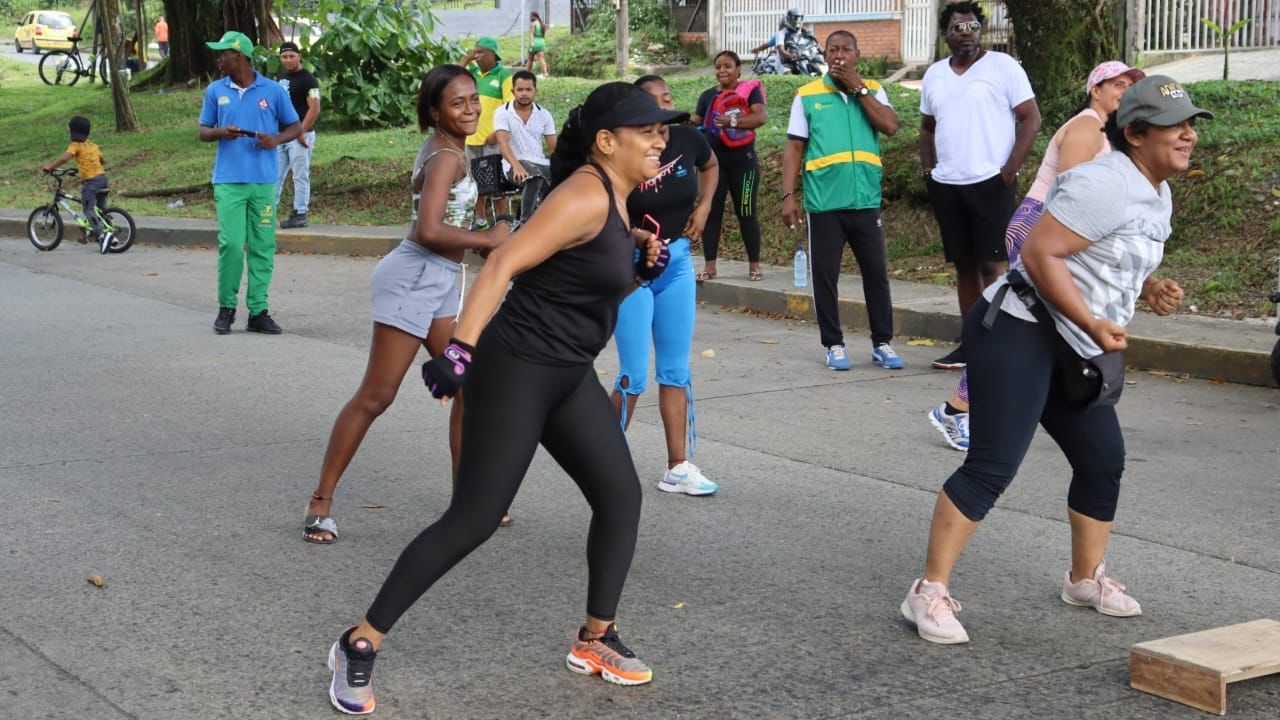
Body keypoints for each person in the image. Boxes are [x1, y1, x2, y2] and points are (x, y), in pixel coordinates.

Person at [324, 83, 680, 714]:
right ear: (606, 142)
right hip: (514, 369)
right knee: (475, 519)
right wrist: (459, 352)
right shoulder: (582, 195)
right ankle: (358, 642)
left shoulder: (619, 204)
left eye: (663, 130)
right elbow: (501, 265)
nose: (661, 139)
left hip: (568, 373)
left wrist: (638, 271)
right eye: (648, 130)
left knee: (620, 497)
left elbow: (586, 299)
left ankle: (595, 639)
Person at [900, 75, 1205, 645]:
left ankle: (1084, 579)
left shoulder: (1156, 191)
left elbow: (1103, 255)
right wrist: (1091, 322)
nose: (1188, 135)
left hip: (1072, 340)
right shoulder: (1104, 182)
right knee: (993, 464)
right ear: (1136, 133)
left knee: (1102, 459)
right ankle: (928, 591)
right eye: (1176, 126)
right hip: (1020, 327)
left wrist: (1149, 287)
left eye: (1191, 124)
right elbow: (1041, 253)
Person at [302, 66, 510, 545]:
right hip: (416, 276)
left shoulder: (455, 149)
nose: (470, 109)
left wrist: (480, 237)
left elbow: (445, 221)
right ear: (435, 111)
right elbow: (428, 231)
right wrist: (486, 239)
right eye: (457, 103)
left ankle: (468, 504)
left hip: (437, 278)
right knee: (377, 395)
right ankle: (320, 502)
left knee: (468, 387)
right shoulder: (444, 158)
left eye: (474, 99)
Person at [928, 60, 1145, 451]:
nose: (1125, 91)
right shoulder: (1087, 126)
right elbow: (1075, 194)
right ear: (1095, 89)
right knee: (1019, 331)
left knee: (1036, 333)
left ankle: (1000, 405)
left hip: (1048, 229)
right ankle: (957, 408)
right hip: (1039, 226)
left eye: (1131, 86)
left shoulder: (1105, 133)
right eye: (1118, 84)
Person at [612, 74, 720, 496]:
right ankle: (604, 461)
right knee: (634, 374)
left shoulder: (689, 140)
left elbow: (710, 166)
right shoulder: (625, 150)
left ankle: (679, 466)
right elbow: (608, 201)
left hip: (676, 263)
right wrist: (635, 240)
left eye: (667, 99)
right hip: (633, 268)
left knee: (676, 370)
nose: (662, 109)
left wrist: (705, 205)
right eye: (651, 103)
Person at [919, 1, 1041, 371]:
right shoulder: (936, 74)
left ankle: (997, 343)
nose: (966, 34)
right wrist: (929, 170)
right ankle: (970, 345)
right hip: (948, 185)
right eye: (958, 28)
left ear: (981, 30)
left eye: (972, 27)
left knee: (993, 264)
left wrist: (1008, 173)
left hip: (991, 183)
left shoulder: (1003, 67)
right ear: (946, 35)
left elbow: (1031, 118)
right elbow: (927, 127)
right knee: (964, 266)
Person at [781, 30, 903, 373]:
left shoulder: (875, 90)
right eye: (832, 49)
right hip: (824, 205)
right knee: (825, 277)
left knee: (876, 274)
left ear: (857, 56)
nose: (839, 55)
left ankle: (882, 343)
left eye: (845, 50)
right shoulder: (807, 95)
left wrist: (859, 88)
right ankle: (833, 344)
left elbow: (890, 126)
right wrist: (789, 196)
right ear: (823, 54)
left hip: (865, 200)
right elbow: (793, 148)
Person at [199, 31, 301, 335]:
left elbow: (295, 126)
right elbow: (203, 131)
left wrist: (276, 140)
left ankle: (258, 312)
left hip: (262, 184)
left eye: (223, 54)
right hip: (228, 182)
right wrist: (221, 132)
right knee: (231, 245)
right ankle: (226, 308)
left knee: (262, 246)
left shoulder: (272, 90)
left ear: (239, 56)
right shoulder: (216, 91)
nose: (219, 59)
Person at [691, 50, 766, 281]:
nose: (722, 70)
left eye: (727, 66)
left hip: (744, 164)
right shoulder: (707, 96)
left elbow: (760, 118)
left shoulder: (750, 91)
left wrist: (732, 121)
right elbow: (696, 122)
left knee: (746, 212)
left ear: (738, 69)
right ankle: (710, 266)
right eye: (718, 66)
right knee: (712, 212)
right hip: (713, 167)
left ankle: (754, 266)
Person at [41, 116, 112, 253]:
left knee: (88, 209)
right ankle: (109, 230)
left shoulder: (75, 145)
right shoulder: (93, 145)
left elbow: (64, 159)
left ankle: (102, 236)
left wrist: (50, 167)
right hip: (103, 178)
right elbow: (103, 161)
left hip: (91, 182)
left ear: (72, 132)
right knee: (100, 208)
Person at [460, 36, 514, 214]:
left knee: (497, 183)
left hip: (493, 140)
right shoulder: (472, 74)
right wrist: (466, 59)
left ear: (493, 54)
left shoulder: (503, 76)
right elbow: (452, 77)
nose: (477, 55)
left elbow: (510, 109)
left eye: (480, 52)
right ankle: (480, 219)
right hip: (471, 139)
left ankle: (503, 219)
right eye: (475, 51)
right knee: (475, 183)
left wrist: (497, 134)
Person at [275, 41, 321, 229]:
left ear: (299, 56)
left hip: (300, 136)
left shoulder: (309, 80)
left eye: (291, 56)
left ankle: (300, 212)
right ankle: (267, 212)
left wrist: (300, 131)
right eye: (284, 56)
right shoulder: (279, 77)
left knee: (300, 175)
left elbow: (315, 108)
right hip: (280, 135)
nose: (288, 60)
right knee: (274, 175)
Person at [491, 70, 557, 186]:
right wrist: (516, 166)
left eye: (528, 90)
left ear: (535, 91)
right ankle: (532, 205)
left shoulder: (544, 115)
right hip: (514, 164)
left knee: (565, 179)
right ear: (513, 91)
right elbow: (503, 143)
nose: (524, 94)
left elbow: (553, 149)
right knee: (534, 179)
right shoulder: (502, 112)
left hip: (540, 163)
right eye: (520, 90)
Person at [528, 11, 549, 78]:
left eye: (531, 16)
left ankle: (528, 74)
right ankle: (545, 73)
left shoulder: (533, 24)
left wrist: (532, 42)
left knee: (530, 59)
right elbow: (544, 35)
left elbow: (531, 34)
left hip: (535, 42)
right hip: (542, 42)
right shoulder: (542, 24)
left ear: (535, 16)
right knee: (541, 59)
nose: (530, 18)